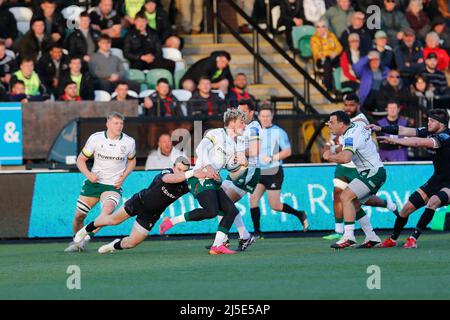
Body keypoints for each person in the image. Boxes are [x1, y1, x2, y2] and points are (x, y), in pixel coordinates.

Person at [73, 158, 218, 254]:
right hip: (139, 202)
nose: (180, 171)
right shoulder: (167, 172)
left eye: (183, 170)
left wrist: (211, 175)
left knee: (132, 243)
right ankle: (85, 230)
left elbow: (204, 186)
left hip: (152, 214)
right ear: (173, 166)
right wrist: (192, 173)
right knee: (113, 220)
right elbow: (171, 179)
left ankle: (113, 246)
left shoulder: (187, 183)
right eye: (178, 168)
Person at [159, 109, 249, 255]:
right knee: (212, 211)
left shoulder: (234, 144)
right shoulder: (217, 133)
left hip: (213, 180)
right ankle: (172, 221)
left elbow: (231, 168)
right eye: (241, 122)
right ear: (232, 123)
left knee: (231, 211)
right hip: (199, 177)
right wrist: (207, 165)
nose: (244, 126)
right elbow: (201, 148)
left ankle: (217, 246)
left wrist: (242, 164)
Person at [369, 109, 450, 249]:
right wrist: (381, 128)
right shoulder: (431, 131)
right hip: (436, 179)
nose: (428, 123)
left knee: (433, 202)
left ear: (441, 123)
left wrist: (393, 140)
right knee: (406, 209)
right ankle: (393, 239)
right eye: (428, 119)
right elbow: (405, 130)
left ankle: (413, 238)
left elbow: (418, 142)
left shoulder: (445, 137)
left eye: (432, 120)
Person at [323, 93, 399, 242]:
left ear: (341, 124)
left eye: (331, 122)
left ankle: (348, 237)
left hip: (373, 173)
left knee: (345, 196)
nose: (328, 125)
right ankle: (372, 237)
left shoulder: (350, 134)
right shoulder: (354, 126)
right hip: (371, 171)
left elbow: (345, 158)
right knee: (355, 204)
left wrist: (328, 156)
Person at [65, 112, 137, 252]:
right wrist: (89, 174)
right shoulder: (96, 138)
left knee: (107, 212)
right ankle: (77, 239)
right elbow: (80, 160)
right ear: (108, 124)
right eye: (116, 123)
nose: (119, 126)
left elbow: (132, 160)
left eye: (121, 123)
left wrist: (124, 176)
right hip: (94, 183)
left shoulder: (129, 142)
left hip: (113, 185)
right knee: (79, 216)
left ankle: (83, 240)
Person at [249, 105, 308, 239]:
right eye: (262, 116)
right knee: (253, 199)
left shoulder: (278, 132)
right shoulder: (255, 131)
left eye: (267, 116)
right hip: (259, 171)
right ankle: (257, 232)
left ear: (272, 116)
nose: (265, 119)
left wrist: (272, 158)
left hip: (273, 171)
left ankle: (299, 214)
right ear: (258, 117)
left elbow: (288, 151)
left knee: (275, 205)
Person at [310, 19, 343, 92]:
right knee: (327, 63)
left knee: (344, 61)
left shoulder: (331, 35)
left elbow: (339, 47)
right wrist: (330, 53)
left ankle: (343, 87)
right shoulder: (314, 38)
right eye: (318, 27)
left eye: (322, 26)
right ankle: (328, 88)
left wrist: (336, 52)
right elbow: (317, 52)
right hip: (321, 60)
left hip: (334, 58)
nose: (320, 29)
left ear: (326, 28)